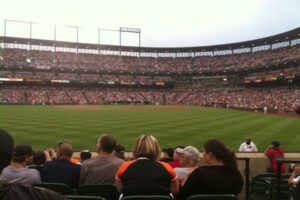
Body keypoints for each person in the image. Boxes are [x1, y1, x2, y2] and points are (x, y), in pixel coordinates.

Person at [176, 139, 243, 200]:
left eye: (204, 152)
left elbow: (181, 197)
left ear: (210, 155)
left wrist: (183, 184)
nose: (203, 155)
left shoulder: (200, 173)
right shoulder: (236, 174)